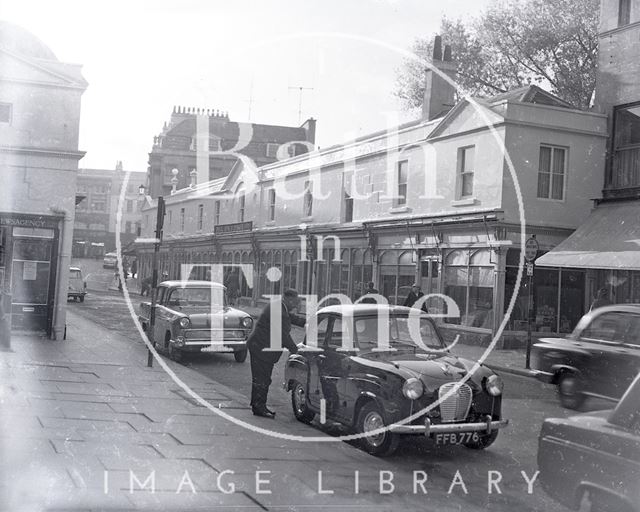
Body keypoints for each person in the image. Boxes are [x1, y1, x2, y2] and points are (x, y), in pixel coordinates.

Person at [247, 289, 305, 418]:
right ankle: (259, 407)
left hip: (259, 347)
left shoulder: (279, 306)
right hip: (261, 349)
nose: (296, 306)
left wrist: (305, 321)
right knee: (262, 379)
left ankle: (257, 405)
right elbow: (283, 336)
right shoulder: (279, 310)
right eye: (295, 303)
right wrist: (296, 350)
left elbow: (289, 317)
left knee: (260, 378)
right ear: (288, 300)